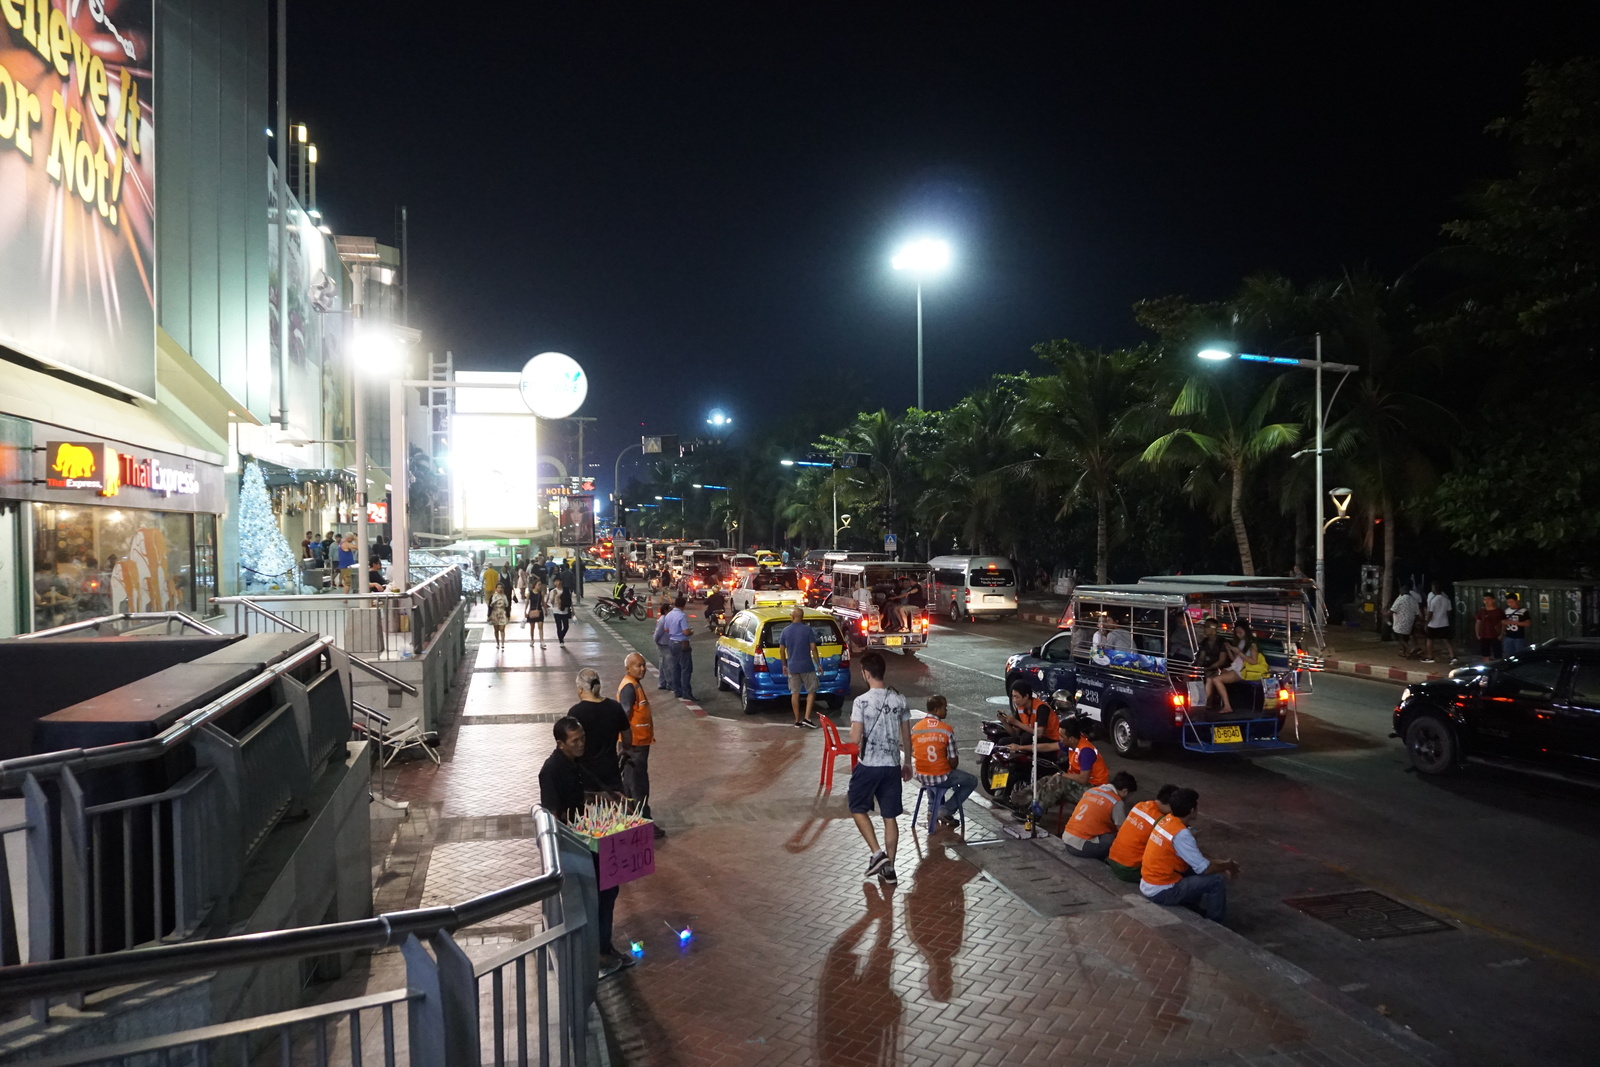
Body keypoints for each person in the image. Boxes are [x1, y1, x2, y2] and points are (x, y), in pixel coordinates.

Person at [537, 716, 632, 977]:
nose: (581, 744)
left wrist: (605, 797)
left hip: (589, 839)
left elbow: (580, 798)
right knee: (599, 896)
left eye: (583, 739)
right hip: (576, 846)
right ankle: (598, 953)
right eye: (575, 741)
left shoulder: (575, 763)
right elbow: (552, 815)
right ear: (560, 744)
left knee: (609, 891)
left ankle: (605, 946)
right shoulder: (551, 770)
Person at [848, 651, 913, 887]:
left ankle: (877, 854)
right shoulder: (899, 699)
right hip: (892, 766)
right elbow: (907, 736)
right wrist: (908, 763)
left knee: (856, 805)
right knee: (890, 816)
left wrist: (852, 732)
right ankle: (890, 870)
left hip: (869, 766)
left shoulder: (861, 702)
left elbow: (855, 738)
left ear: (866, 673)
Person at [1140, 787, 1240, 924]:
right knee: (1216, 880)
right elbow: (1204, 868)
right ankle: (1216, 924)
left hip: (1150, 882)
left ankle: (1191, 906)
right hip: (1161, 890)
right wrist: (1227, 865)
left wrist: (1222, 863)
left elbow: (1196, 858)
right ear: (1192, 810)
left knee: (1194, 868)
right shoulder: (1181, 834)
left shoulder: (1167, 821)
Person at [616, 653, 666, 839]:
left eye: (643, 665)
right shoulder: (629, 686)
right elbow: (624, 715)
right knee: (638, 786)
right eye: (638, 666)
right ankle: (643, 823)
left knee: (631, 785)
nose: (642, 668)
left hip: (637, 744)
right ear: (628, 668)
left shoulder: (633, 684)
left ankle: (631, 821)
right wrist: (626, 745)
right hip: (634, 746)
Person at [911, 695, 978, 830]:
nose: (946, 711)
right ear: (936, 710)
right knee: (971, 780)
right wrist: (944, 763)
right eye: (944, 708)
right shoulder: (946, 729)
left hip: (921, 775)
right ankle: (945, 809)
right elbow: (954, 762)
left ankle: (932, 808)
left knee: (931, 772)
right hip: (940, 775)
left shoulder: (916, 728)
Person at [568, 668, 630, 792]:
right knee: (614, 809)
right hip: (611, 771)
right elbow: (628, 737)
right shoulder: (615, 707)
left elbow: (570, 745)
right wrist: (623, 750)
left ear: (580, 689)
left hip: (586, 775)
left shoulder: (575, 712)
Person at [1106, 783, 1179, 883]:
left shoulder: (1139, 805)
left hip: (1112, 859)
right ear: (1170, 804)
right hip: (1129, 870)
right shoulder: (1160, 820)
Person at [1061, 770, 1138, 860]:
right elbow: (1122, 830)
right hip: (1080, 846)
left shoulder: (1092, 790)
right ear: (1125, 791)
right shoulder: (1116, 801)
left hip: (1067, 838)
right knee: (1113, 839)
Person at [780, 605, 822, 728]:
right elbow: (813, 648)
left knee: (795, 693)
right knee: (812, 691)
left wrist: (784, 665)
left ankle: (797, 720)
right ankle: (807, 718)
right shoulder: (808, 630)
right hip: (807, 666)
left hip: (792, 667)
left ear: (793, 617)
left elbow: (781, 650)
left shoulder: (785, 631)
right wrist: (818, 664)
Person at [653, 595, 696, 700]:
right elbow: (685, 631)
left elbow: (666, 629)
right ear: (683, 605)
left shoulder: (668, 615)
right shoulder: (681, 616)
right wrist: (691, 631)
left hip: (671, 643)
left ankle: (677, 691)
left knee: (675, 667)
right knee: (686, 669)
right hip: (682, 643)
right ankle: (686, 692)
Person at [1000, 679, 1059, 750]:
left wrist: (1016, 722)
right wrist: (1004, 721)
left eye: (1017, 697)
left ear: (1026, 696)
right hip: (1031, 738)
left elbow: (1039, 734)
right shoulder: (1020, 708)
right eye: (1013, 696)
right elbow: (1015, 734)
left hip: (1050, 740)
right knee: (1003, 742)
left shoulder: (1041, 708)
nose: (1014, 700)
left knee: (1026, 738)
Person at [1205, 631, 1245, 713]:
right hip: (1234, 667)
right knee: (1210, 678)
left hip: (1242, 670)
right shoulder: (1240, 643)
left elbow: (1250, 661)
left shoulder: (1249, 645)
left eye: (1240, 632)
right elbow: (1235, 660)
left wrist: (1238, 652)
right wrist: (1229, 649)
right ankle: (1206, 703)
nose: (1238, 634)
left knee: (1217, 679)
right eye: (1237, 633)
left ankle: (1227, 706)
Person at [1423, 581, 1456, 664]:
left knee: (1429, 640)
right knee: (1447, 641)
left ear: (1434, 589)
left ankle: (1430, 657)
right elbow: (1449, 612)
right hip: (1444, 623)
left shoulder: (1433, 600)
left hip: (1433, 624)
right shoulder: (1446, 599)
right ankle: (1453, 657)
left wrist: (1426, 623)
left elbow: (1430, 613)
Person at [1388, 585, 1420, 659]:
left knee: (1399, 637)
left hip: (1400, 622)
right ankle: (1405, 652)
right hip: (1410, 622)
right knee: (1406, 638)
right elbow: (1417, 613)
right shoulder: (1413, 600)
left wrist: (1385, 612)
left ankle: (1410, 649)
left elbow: (1392, 610)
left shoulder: (1400, 599)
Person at [1474, 593, 1505, 661]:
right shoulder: (1481, 611)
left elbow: (1503, 623)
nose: (1486, 601)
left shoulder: (1499, 611)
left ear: (1493, 600)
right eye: (1485, 600)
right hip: (1484, 635)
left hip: (1495, 636)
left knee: (1498, 655)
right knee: (1485, 654)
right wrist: (1477, 634)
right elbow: (1478, 623)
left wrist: (1501, 634)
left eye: (1488, 599)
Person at [1501, 593, 1531, 658]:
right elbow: (1503, 622)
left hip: (1519, 637)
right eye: (1508, 602)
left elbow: (1527, 623)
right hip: (1508, 636)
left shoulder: (1523, 611)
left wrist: (1514, 622)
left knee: (1520, 654)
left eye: (1512, 602)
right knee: (1508, 654)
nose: (1510, 604)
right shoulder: (1506, 611)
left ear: (1516, 601)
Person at [550, 577, 573, 646]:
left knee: (566, 626)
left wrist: (572, 610)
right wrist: (554, 595)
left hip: (565, 610)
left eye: (558, 581)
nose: (557, 583)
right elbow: (551, 602)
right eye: (555, 582)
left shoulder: (566, 590)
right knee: (559, 626)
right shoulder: (553, 591)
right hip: (556, 611)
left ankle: (561, 636)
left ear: (561, 581)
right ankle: (561, 641)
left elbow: (570, 600)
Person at [487, 584, 510, 650]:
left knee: (502, 629)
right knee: (496, 629)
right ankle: (497, 643)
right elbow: (490, 607)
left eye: (501, 587)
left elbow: (507, 606)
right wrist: (489, 616)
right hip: (495, 613)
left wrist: (508, 615)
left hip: (502, 613)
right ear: (496, 588)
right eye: (498, 587)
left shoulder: (504, 596)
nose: (500, 589)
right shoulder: (493, 596)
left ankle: (502, 643)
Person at [526, 576, 547, 648]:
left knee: (540, 626)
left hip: (539, 610)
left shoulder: (541, 593)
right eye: (539, 584)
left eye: (540, 584)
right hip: (531, 611)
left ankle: (542, 641)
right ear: (534, 585)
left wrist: (545, 609)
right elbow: (527, 603)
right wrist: (525, 611)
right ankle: (532, 639)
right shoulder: (530, 593)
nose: (540, 586)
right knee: (532, 627)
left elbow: (543, 602)